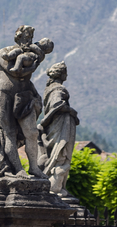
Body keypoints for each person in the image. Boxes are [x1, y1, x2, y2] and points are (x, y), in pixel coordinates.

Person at [0, 25, 54, 180]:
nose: (27, 41)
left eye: (30, 38)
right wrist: (35, 62)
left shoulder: (32, 54)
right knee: (9, 133)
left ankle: (34, 168)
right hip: (5, 94)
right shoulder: (4, 53)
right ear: (17, 38)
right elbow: (15, 71)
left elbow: (27, 71)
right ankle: (18, 169)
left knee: (32, 133)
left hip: (24, 95)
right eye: (25, 38)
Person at [37, 63, 79, 194]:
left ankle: (57, 185)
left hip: (57, 125)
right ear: (61, 74)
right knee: (60, 153)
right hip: (61, 127)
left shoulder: (50, 89)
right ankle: (55, 187)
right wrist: (72, 112)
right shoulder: (58, 89)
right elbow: (57, 105)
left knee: (58, 154)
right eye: (65, 72)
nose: (66, 75)